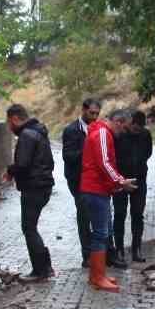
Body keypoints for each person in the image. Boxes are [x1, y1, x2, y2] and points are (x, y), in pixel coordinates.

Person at [80, 108, 136, 291]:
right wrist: (120, 181)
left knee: (100, 233)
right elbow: (104, 162)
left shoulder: (99, 132)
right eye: (123, 128)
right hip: (95, 189)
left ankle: (97, 274)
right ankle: (98, 277)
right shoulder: (103, 133)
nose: (122, 133)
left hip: (96, 188)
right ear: (118, 122)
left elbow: (104, 163)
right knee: (101, 234)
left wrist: (117, 183)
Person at [5, 104, 55, 281]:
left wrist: (10, 171)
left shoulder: (27, 135)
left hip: (33, 187)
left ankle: (40, 270)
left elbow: (23, 164)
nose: (9, 127)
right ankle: (46, 267)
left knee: (29, 228)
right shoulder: (39, 132)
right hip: (43, 185)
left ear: (15, 119)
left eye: (9, 123)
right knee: (31, 227)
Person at [60, 98, 100, 268]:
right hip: (78, 180)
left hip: (96, 180)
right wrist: (87, 147)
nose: (94, 117)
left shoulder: (99, 128)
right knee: (84, 216)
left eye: (97, 114)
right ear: (83, 110)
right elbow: (67, 156)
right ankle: (87, 255)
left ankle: (103, 253)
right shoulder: (71, 130)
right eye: (92, 113)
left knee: (99, 216)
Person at [110, 109, 152, 267]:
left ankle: (137, 249)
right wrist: (120, 178)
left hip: (139, 179)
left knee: (138, 214)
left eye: (140, 129)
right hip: (121, 180)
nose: (137, 131)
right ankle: (119, 249)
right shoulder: (119, 134)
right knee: (119, 215)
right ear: (129, 124)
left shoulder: (145, 135)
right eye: (135, 128)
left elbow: (148, 153)